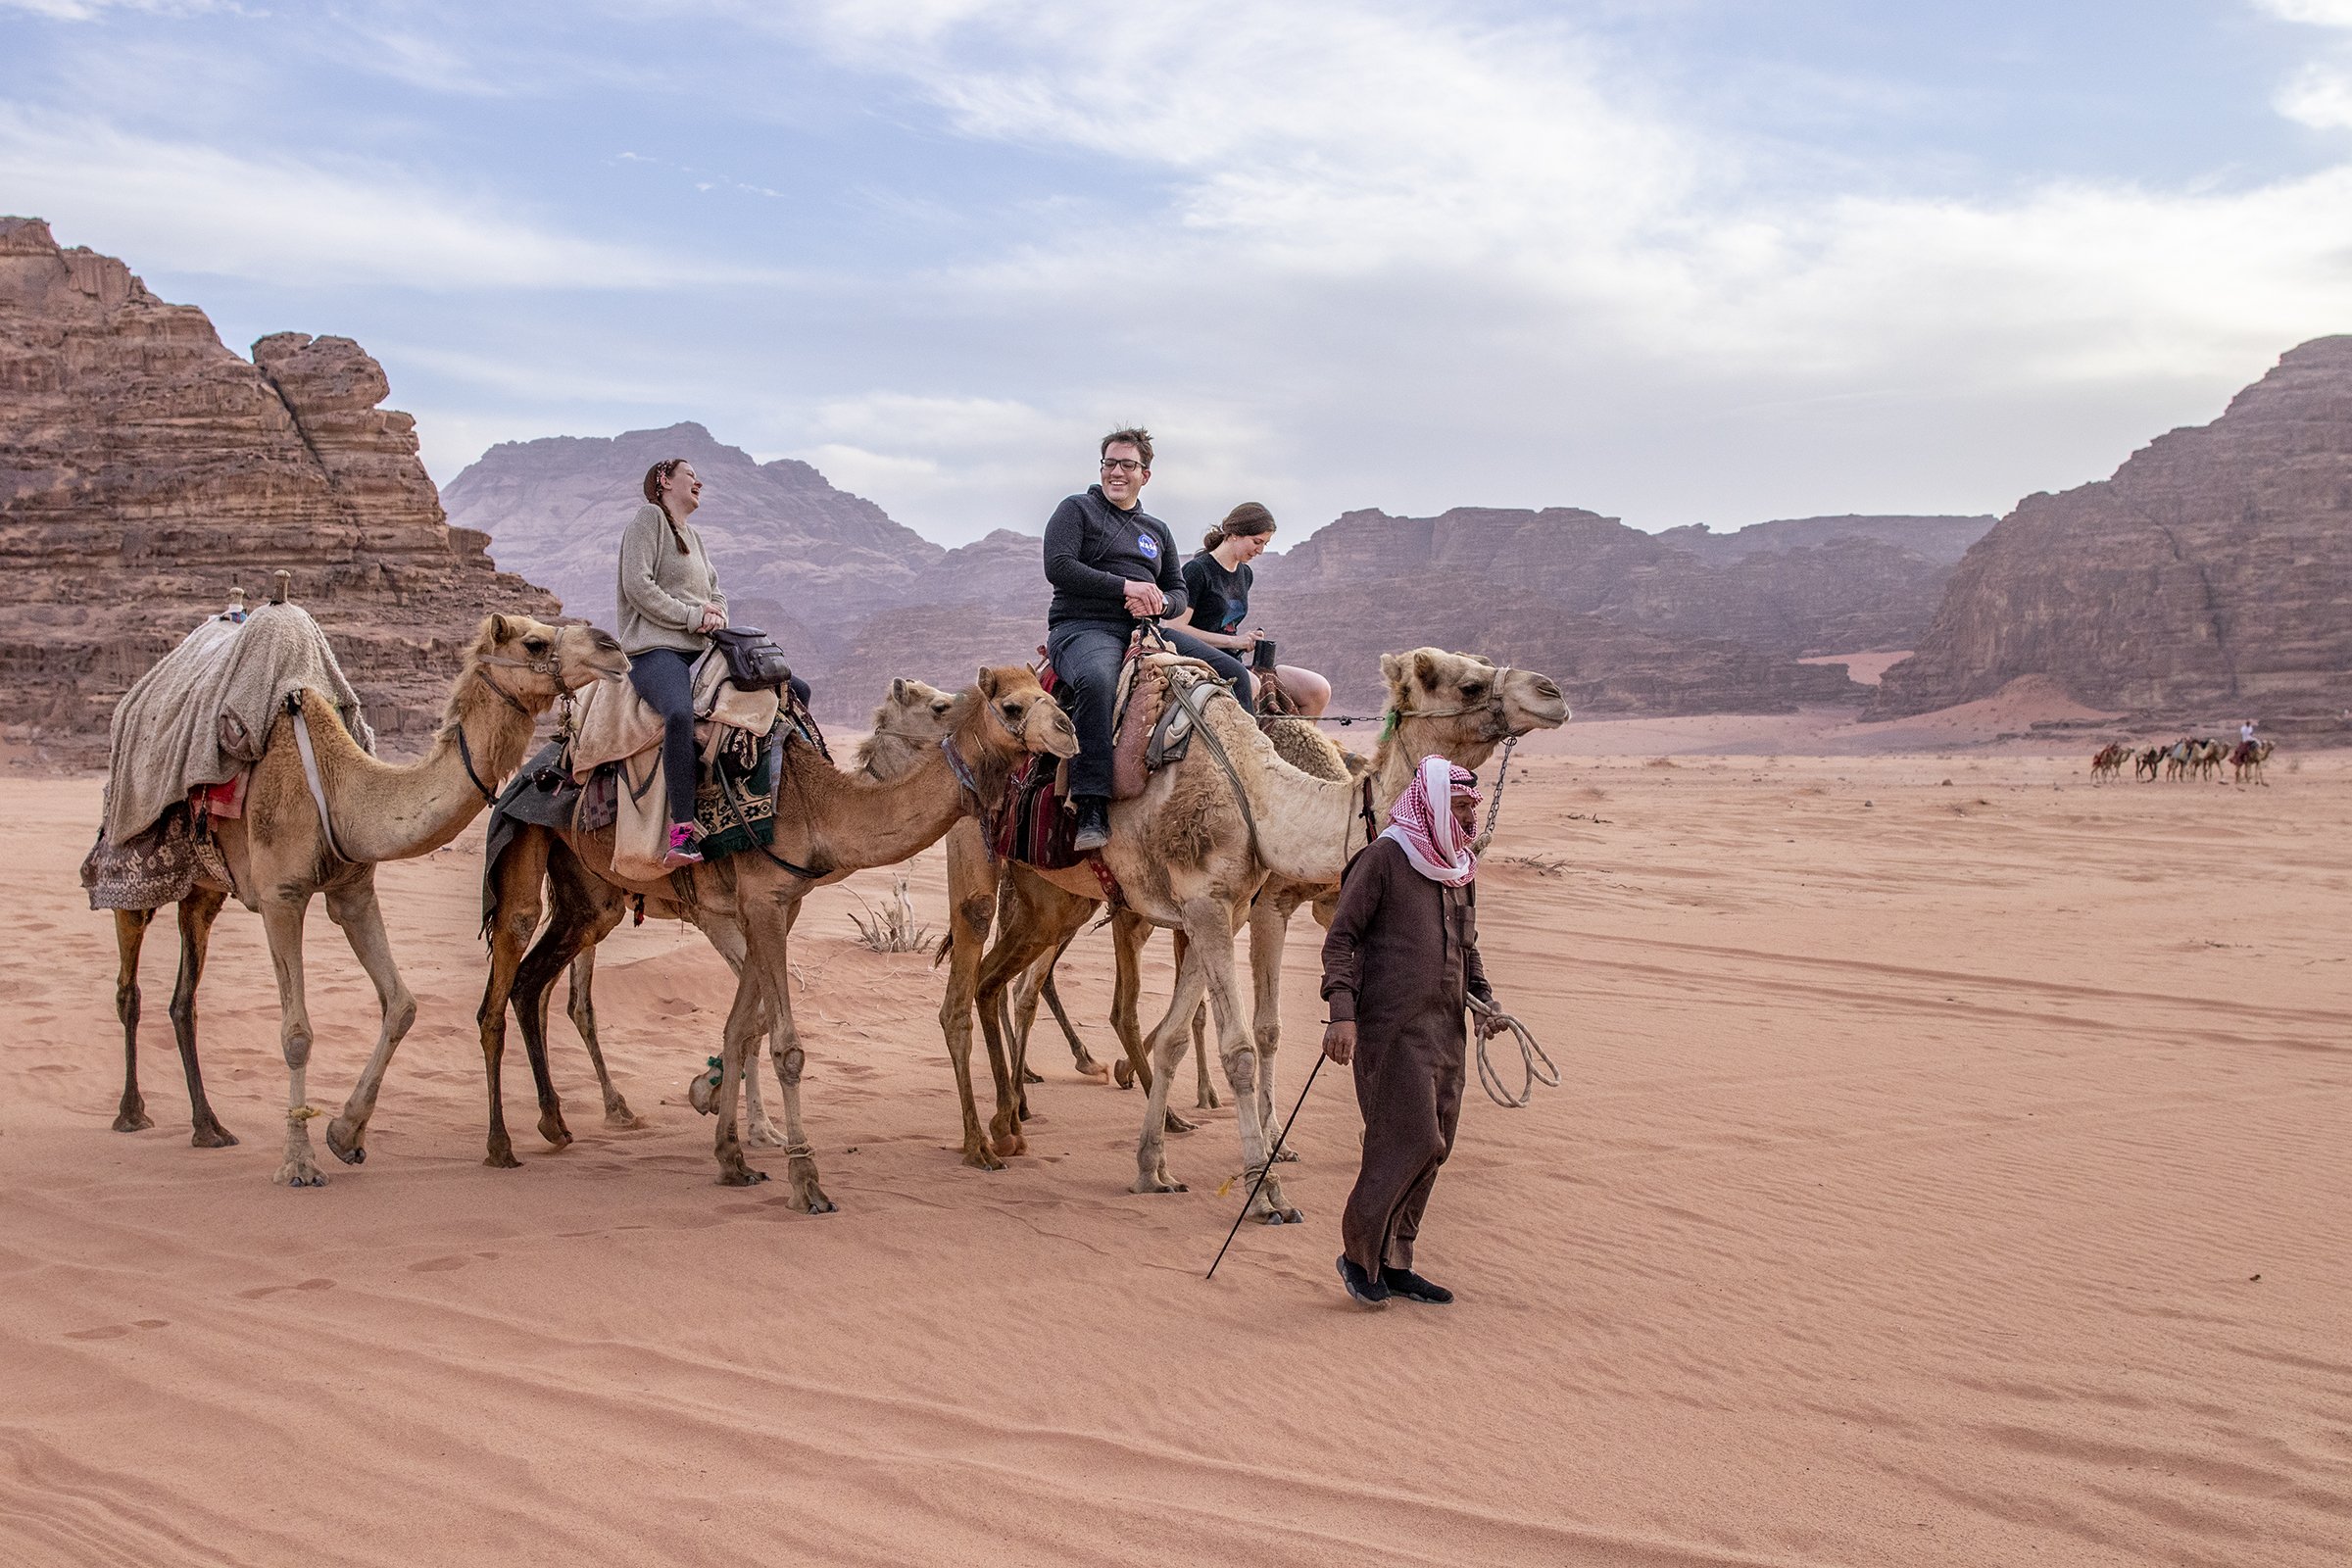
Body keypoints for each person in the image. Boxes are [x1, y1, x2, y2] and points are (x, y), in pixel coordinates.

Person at [1319, 757, 1508, 1309]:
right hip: (1390, 1031)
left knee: (1437, 1147)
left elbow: (1467, 950)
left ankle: (1397, 1260)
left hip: (1446, 1031)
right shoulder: (1383, 859)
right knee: (1408, 1141)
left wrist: (1486, 1003)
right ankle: (1359, 1257)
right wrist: (1341, 1013)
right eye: (1462, 803)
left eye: (1473, 803)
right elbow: (1340, 940)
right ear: (1430, 802)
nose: (1472, 812)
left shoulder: (1458, 870)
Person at [1044, 427, 1255, 852]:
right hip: (1083, 628)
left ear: (1146, 475)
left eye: (1127, 465)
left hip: (1148, 631)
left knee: (1235, 675)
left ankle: (1245, 782)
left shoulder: (1156, 529)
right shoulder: (1077, 510)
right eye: (1109, 464)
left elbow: (1178, 593)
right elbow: (1060, 567)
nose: (1116, 472)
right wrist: (1126, 587)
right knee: (1098, 681)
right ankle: (1091, 803)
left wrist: (1158, 603)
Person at [617, 458, 725, 869]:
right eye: (690, 474)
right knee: (679, 714)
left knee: (787, 689)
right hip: (656, 651)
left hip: (701, 650)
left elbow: (717, 592)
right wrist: (693, 617)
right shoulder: (649, 520)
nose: (700, 481)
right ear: (665, 481)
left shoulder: (695, 537)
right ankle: (681, 835)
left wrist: (717, 613)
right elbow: (638, 586)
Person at [1176, 503, 1332, 717]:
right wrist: (1233, 641)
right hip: (1198, 661)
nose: (1260, 550)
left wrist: (1247, 640)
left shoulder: (1245, 574)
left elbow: (1225, 626)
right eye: (1257, 542)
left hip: (1233, 661)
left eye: (1265, 544)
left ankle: (1296, 749)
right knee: (1250, 683)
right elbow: (1175, 627)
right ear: (1234, 534)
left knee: (1317, 688)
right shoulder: (1198, 570)